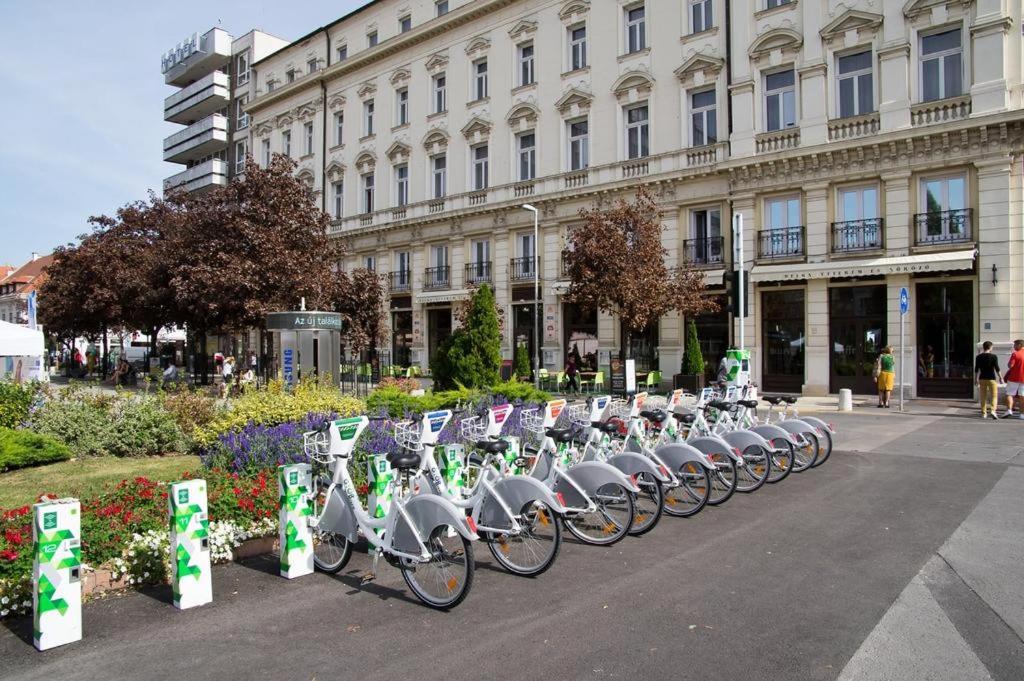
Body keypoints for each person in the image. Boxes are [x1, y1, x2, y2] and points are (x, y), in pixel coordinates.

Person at [974, 341, 1001, 419]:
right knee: (994, 396)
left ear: (983, 347)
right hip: (991, 378)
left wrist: (976, 379)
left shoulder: (978, 357)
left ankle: (984, 413)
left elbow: (976, 369)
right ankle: (993, 410)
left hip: (982, 378)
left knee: (983, 396)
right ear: (990, 347)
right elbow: (997, 368)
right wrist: (1001, 378)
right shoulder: (994, 356)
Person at [1002, 339, 1024, 420]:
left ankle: (1009, 410)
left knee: (1010, 394)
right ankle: (1022, 414)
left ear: (1019, 345)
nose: (1014, 347)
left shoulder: (1015, 354)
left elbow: (1010, 366)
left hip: (1014, 378)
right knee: (1023, 396)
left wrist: (1009, 364)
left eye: (1015, 345)